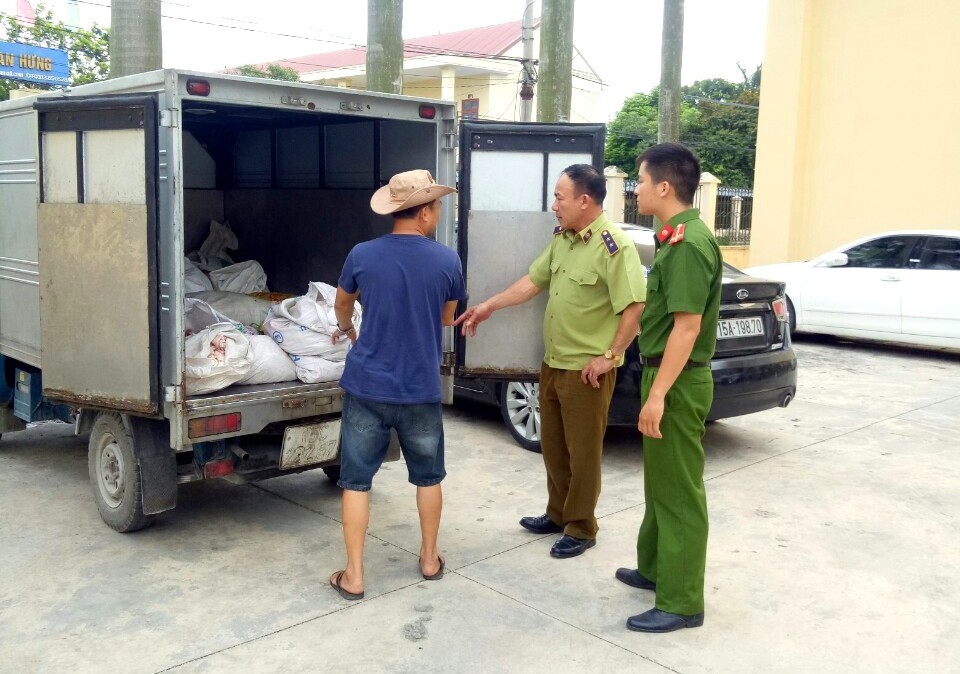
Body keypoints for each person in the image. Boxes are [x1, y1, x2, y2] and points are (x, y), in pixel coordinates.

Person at [455, 164, 646, 559]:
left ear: (585, 200)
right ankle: (557, 513)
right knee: (554, 447)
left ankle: (581, 525)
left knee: (584, 452)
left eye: (560, 197)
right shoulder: (565, 239)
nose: (554, 205)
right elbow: (532, 282)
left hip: (586, 372)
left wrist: (610, 357)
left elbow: (634, 307)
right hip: (554, 362)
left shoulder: (614, 245)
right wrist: (489, 306)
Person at [328, 169, 466, 600]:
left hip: (367, 386)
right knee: (428, 476)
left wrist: (348, 329)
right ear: (424, 212)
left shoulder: (362, 254)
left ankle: (354, 576)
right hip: (420, 388)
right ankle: (428, 559)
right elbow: (447, 318)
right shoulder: (447, 260)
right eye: (437, 207)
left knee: (356, 481)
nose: (439, 213)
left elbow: (342, 302)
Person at [616, 143, 722, 633]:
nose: (635, 188)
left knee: (679, 490)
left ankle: (681, 601)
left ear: (663, 187)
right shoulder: (672, 238)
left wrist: (658, 394)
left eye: (639, 180)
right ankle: (656, 567)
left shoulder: (686, 244)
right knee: (659, 481)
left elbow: (686, 327)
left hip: (675, 380)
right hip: (663, 373)